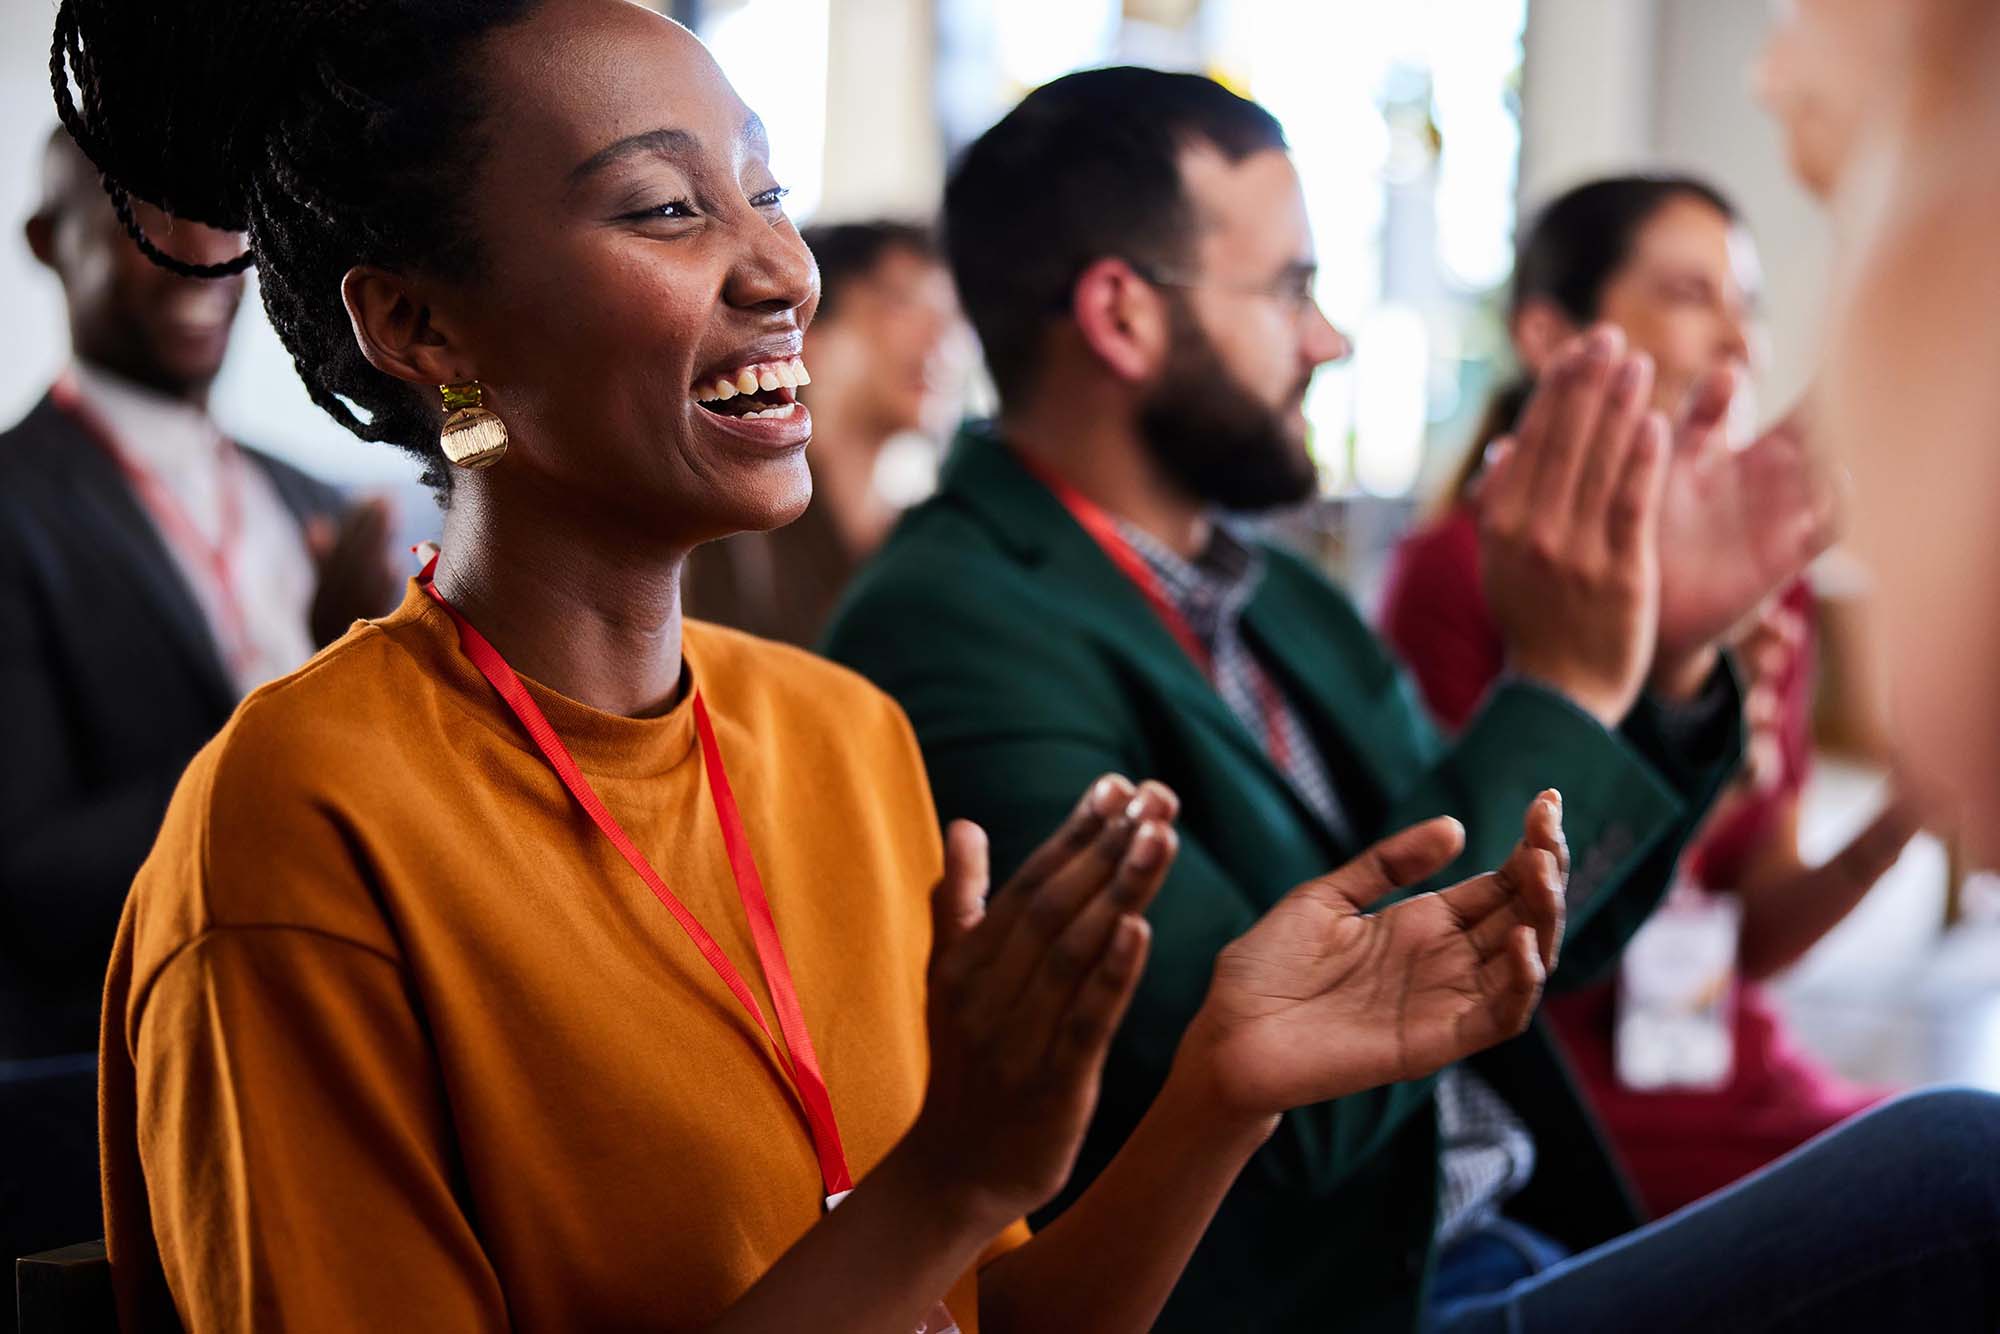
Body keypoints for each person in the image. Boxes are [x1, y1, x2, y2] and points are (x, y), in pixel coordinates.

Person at [54, 2, 1580, 1329]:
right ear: (416, 322)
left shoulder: (839, 734)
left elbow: (976, 1317)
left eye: (768, 192)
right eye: (665, 211)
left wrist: (1221, 1090)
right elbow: (926, 1225)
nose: (782, 263)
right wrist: (950, 1181)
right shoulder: (302, 827)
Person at [824, 65, 2000, 1333]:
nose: (1325, 338)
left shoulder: (1273, 592)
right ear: (1121, 316)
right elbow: (1289, 1112)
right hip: (1353, 1296)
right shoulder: (957, 623)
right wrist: (1561, 682)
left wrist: (1659, 667)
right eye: (1290, 289)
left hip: (1501, 1232)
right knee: (1958, 1172)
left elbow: (1538, 950)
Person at [1379, 173, 1920, 1216]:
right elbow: (1456, 948)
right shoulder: (1458, 576)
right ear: (1547, 336)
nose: (1738, 343)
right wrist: (1680, 731)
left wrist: (1906, 811)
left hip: (1723, 1062)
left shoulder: (1769, 580)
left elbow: (1751, 938)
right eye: (1687, 293)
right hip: (1559, 1105)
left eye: (1747, 303)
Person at [0, 126, 398, 1284]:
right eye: (139, 218)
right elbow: (29, 871)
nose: (194, 254)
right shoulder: (12, 509)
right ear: (45, 240)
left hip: (354, 1038)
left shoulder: (313, 492)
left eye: (219, 219)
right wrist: (297, 700)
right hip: (134, 1086)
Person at [687, 220, 962, 645]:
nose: (940, 338)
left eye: (949, 313)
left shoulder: (922, 543)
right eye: (903, 303)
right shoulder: (733, 532)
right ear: (806, 330)